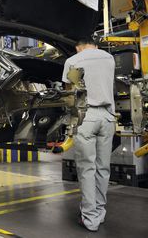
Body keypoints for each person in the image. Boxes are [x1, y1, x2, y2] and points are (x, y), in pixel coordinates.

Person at [62, 38, 115, 232]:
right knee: (103, 168)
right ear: (96, 45)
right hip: (108, 117)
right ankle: (99, 213)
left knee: (87, 169)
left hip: (86, 117)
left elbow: (70, 95)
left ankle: (90, 218)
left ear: (78, 46)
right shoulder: (109, 58)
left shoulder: (73, 61)